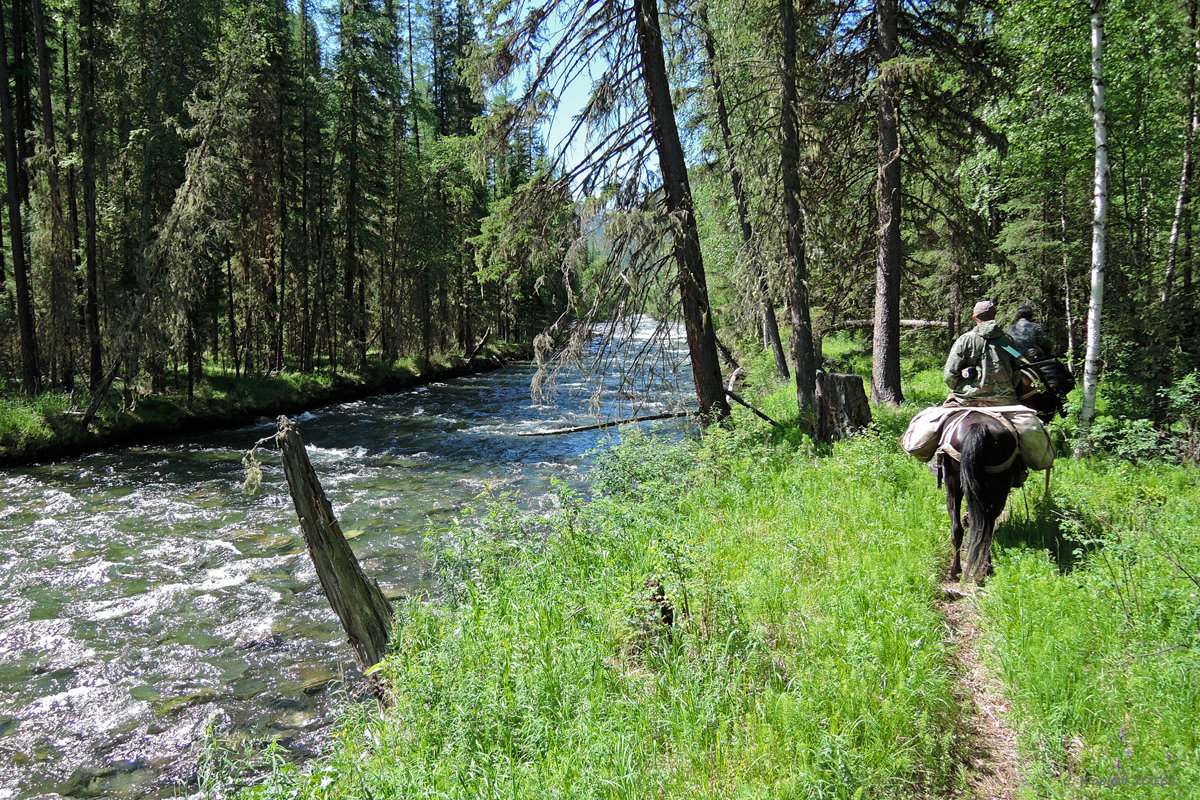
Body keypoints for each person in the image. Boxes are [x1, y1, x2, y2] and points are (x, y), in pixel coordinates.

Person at [944, 299, 1022, 406]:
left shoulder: (964, 340)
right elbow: (1017, 369)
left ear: (975, 317)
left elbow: (950, 374)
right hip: (1004, 399)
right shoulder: (1008, 341)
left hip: (968, 398)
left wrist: (960, 388)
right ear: (994, 315)